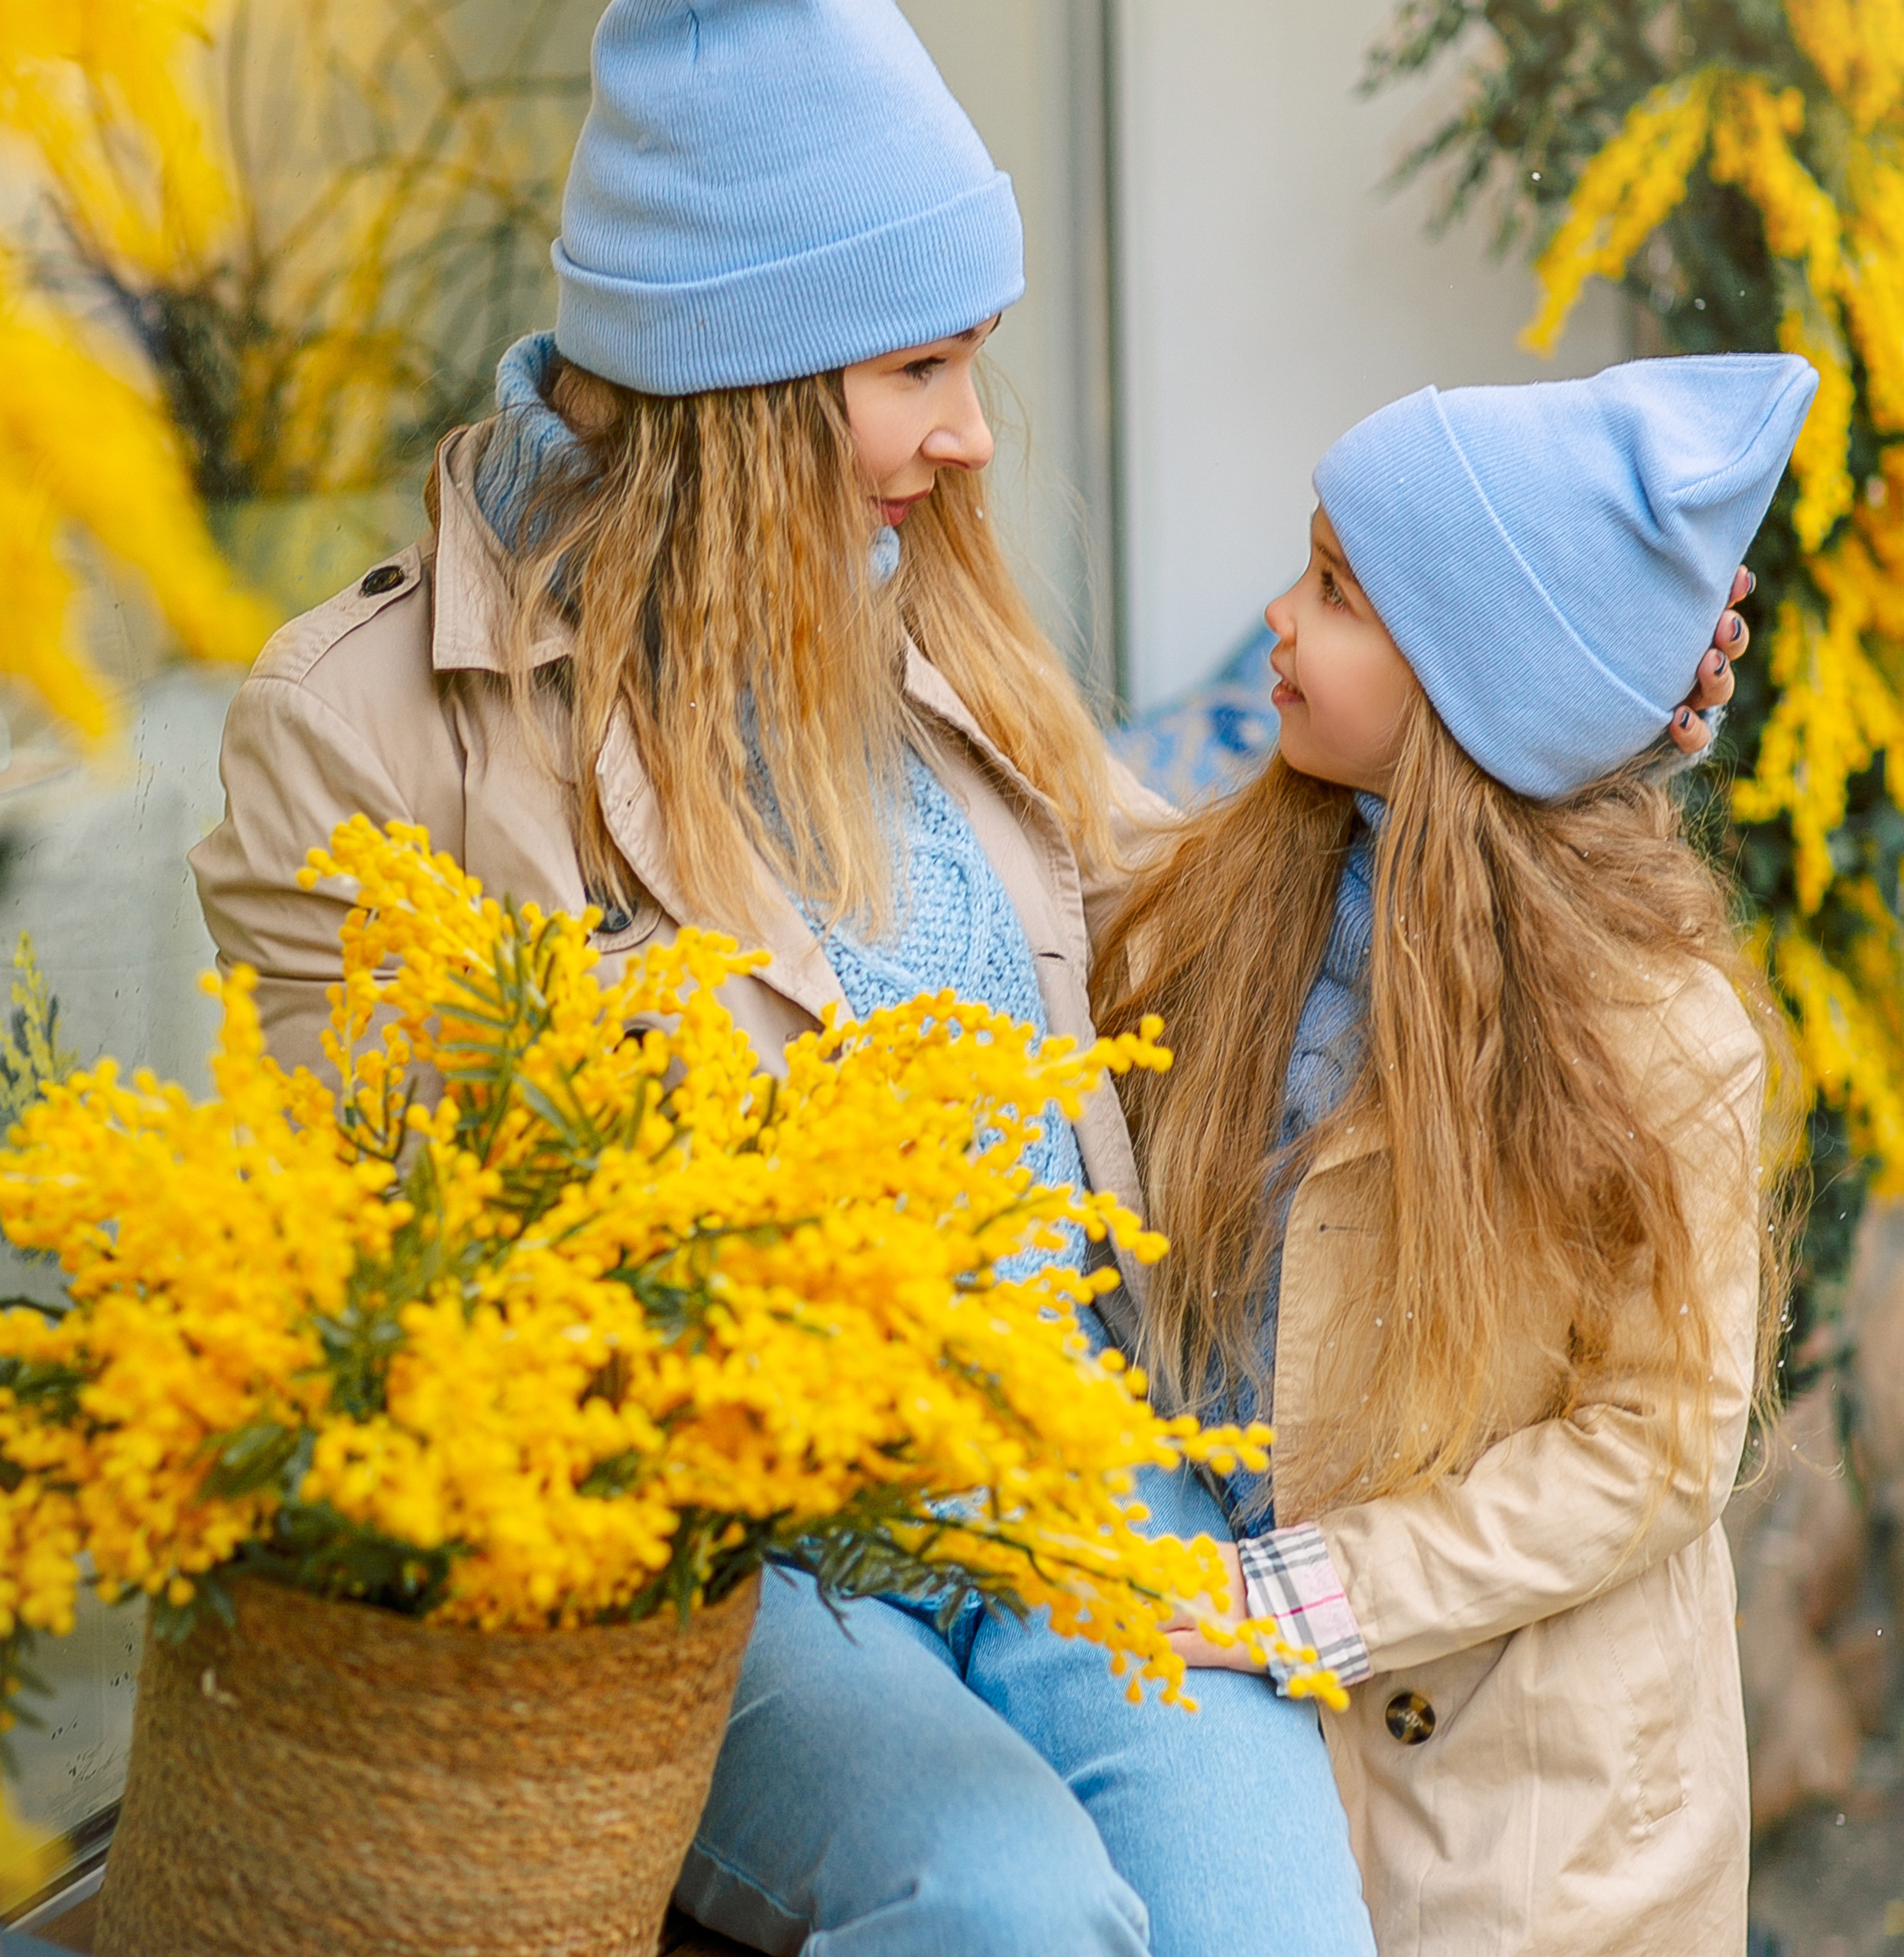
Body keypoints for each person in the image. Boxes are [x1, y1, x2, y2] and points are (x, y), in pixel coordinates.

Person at [189, 2, 1749, 1948]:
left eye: (973, 359)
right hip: (750, 1562)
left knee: (1273, 1925)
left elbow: (1212, 922)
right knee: (1008, 1906)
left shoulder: (914, 619)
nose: (970, 432)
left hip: (1073, 1480)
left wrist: (1551, 717)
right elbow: (384, 1292)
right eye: (915, 366)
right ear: (741, 378)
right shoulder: (364, 730)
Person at [1092, 355, 1815, 1957]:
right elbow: (1066, 832)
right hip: (1276, 1746)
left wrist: (1295, 1595)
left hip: (1537, 1840)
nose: (1277, 619)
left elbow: (1653, 1446)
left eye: (1334, 592)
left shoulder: (1651, 1033)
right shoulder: (1256, 892)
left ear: (1470, 686)